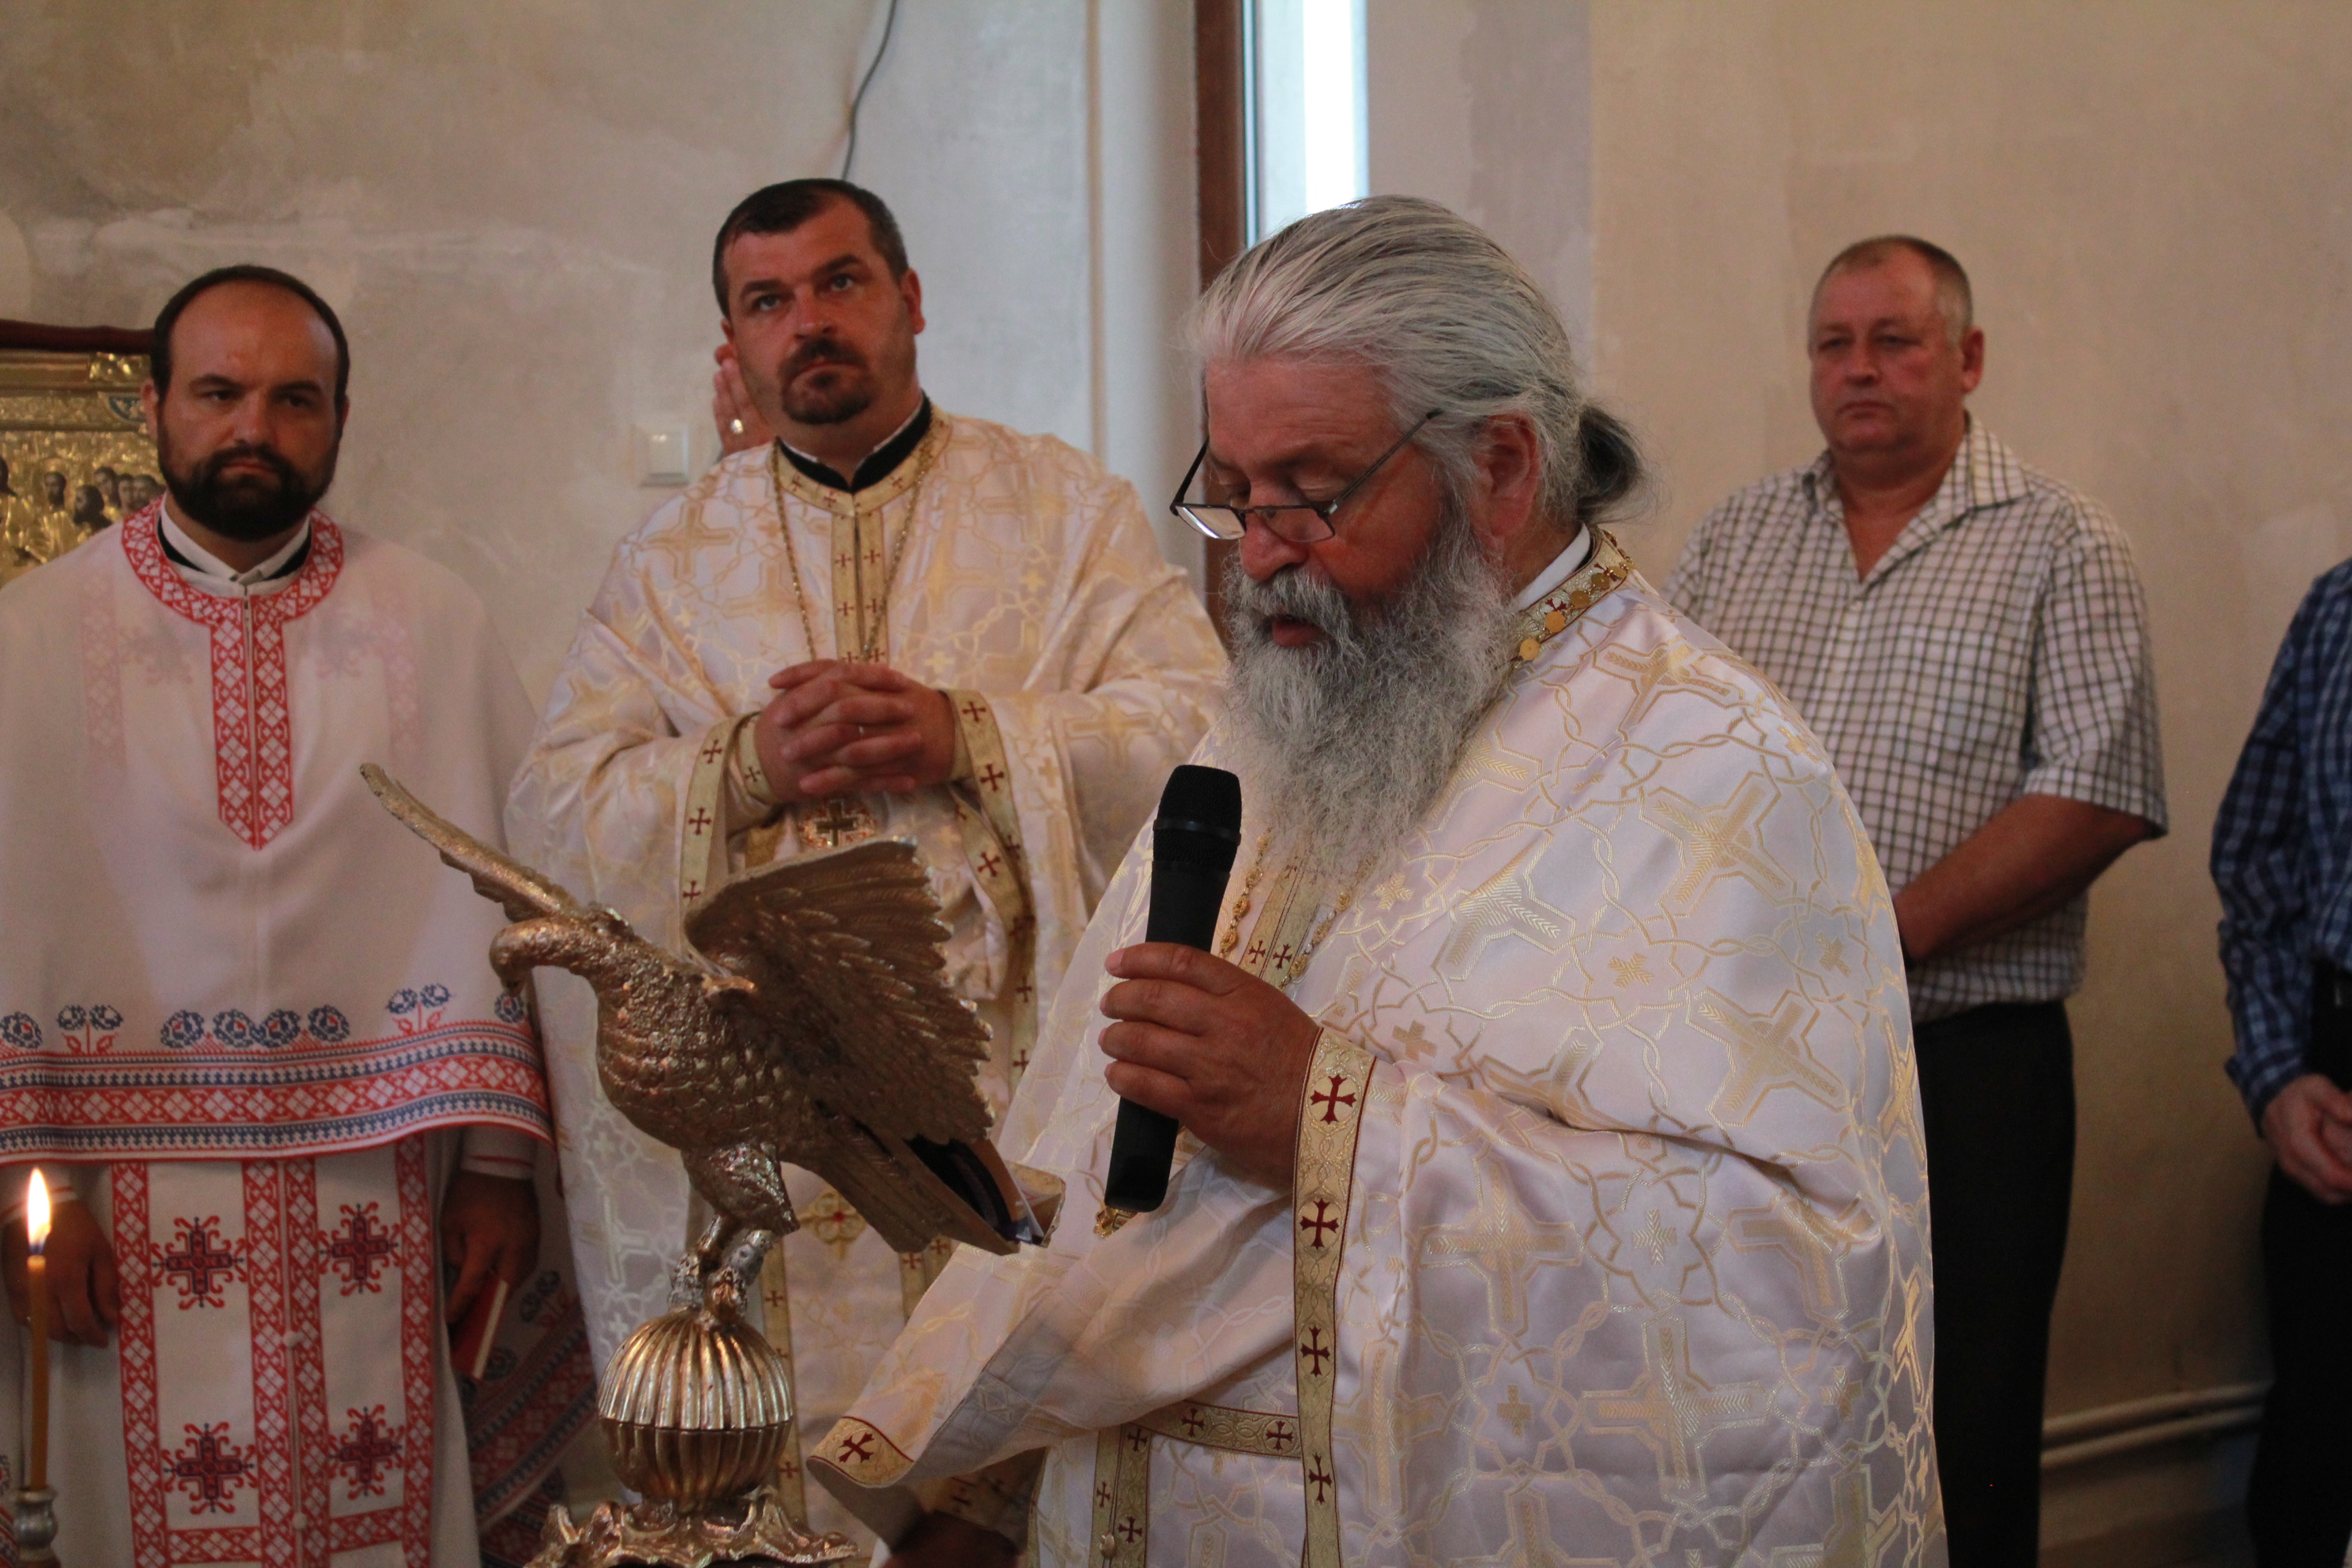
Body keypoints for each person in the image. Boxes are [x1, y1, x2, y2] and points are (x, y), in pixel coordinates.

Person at [812, 197, 1938, 1567]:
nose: (1266, 549)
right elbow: (1093, 1138)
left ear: (1504, 467)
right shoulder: (1279, 722)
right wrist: (984, 1489)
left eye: (1315, 491)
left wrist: (1321, 1117)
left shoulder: (1715, 767)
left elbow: (1796, 1296)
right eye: (1233, 497)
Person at [508, 177, 1225, 1554]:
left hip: (996, 1109)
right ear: (734, 343)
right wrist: (740, 767)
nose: (809, 325)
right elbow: (557, 808)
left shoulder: (1065, 513)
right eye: (767, 302)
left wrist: (977, 734)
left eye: (841, 283)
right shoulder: (667, 563)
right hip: (771, 1128)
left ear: (910, 301)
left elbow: (1200, 737)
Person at [0, 265, 589, 1565]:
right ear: (155, 405)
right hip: (112, 1200)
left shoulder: (433, 621)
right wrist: (27, 1199)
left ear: (340, 415)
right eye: (217, 393)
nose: (253, 428)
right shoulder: (31, 639)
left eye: (293, 398)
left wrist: (499, 1176)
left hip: (379, 1191)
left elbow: (514, 896)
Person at [1663, 235, 2165, 1563]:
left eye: (1895, 339)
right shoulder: (1735, 538)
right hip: (1750, 1063)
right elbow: (1661, 757)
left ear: (1969, 358)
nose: (1860, 369)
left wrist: (1871, 945)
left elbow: (2098, 789)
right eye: (1835, 343)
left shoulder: (2059, 541)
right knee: (1766, 1407)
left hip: (1964, 1069)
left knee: (1964, 1420)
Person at [2212, 564, 2352, 1567]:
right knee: (2316, 1452)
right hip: (2332, 1076)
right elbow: (2261, 859)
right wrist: (2275, 1072)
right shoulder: (2338, 605)